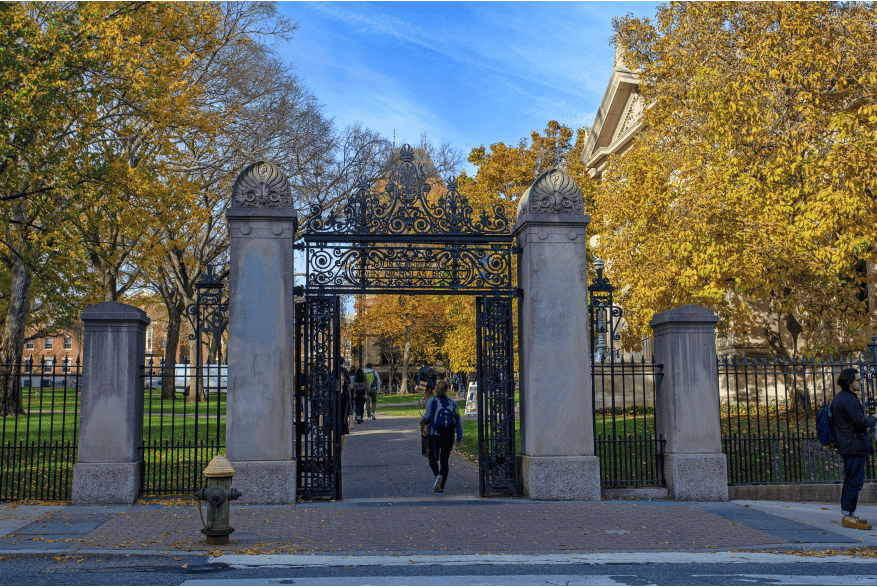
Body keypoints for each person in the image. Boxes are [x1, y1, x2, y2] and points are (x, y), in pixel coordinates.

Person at [831, 367, 877, 530]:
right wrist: (874, 418)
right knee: (854, 482)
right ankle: (848, 517)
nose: (861, 383)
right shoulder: (847, 399)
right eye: (858, 380)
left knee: (851, 480)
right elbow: (860, 422)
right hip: (853, 446)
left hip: (850, 445)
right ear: (849, 382)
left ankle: (849, 514)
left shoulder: (842, 397)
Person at [422, 380, 463, 495]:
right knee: (444, 461)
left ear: (436, 389)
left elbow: (427, 417)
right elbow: (458, 420)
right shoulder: (452, 402)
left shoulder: (432, 400)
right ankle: (441, 488)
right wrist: (459, 437)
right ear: (448, 389)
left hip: (435, 434)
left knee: (432, 459)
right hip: (448, 435)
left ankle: (437, 475)